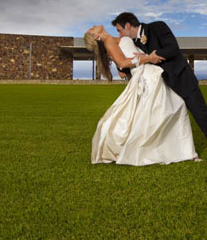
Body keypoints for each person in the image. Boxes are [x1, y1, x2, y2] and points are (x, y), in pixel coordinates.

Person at [111, 13, 207, 170]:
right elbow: (129, 68)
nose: (119, 34)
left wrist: (152, 56)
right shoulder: (132, 42)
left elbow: (172, 49)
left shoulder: (158, 27)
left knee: (202, 115)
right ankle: (173, 153)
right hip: (162, 89)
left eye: (119, 30)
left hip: (182, 80)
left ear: (128, 25)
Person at [85, 25, 199, 166]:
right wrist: (149, 58)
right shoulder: (108, 40)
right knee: (170, 107)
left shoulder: (114, 40)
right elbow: (122, 63)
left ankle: (182, 151)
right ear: (96, 37)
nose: (93, 26)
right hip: (146, 75)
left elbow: (122, 71)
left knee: (171, 106)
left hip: (149, 72)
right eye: (91, 29)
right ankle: (174, 151)